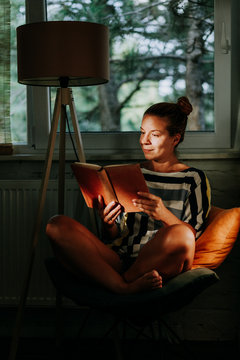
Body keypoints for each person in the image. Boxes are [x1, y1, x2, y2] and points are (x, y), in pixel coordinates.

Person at [46, 96, 211, 294]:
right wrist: (108, 224)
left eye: (155, 135)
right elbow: (115, 235)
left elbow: (192, 237)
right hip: (120, 258)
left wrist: (163, 214)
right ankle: (124, 287)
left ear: (175, 138)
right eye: (142, 133)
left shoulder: (193, 179)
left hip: (160, 263)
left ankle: (118, 283)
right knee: (56, 225)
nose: (144, 141)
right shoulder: (131, 173)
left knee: (182, 234)